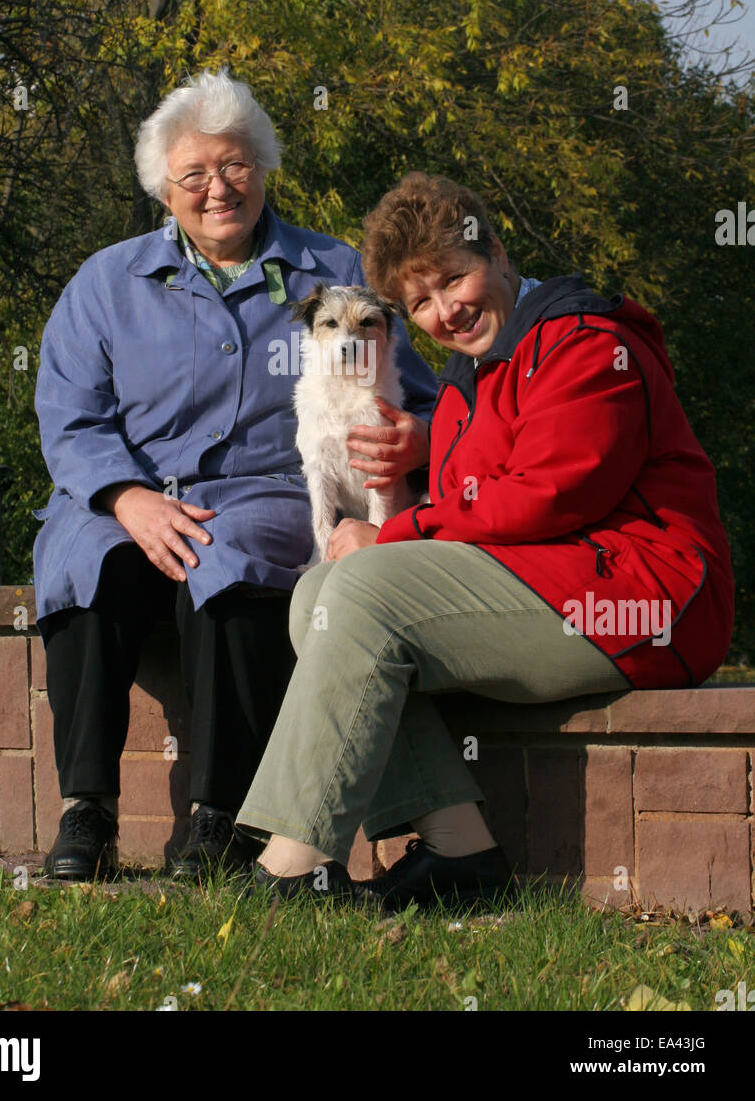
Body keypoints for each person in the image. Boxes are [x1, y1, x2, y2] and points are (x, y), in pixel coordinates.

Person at [235, 170, 736, 906]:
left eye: (453, 280)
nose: (446, 311)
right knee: (318, 589)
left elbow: (547, 494)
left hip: (647, 598)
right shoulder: (478, 371)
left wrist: (395, 533)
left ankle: (293, 865)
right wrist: (429, 445)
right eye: (420, 303)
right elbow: (484, 488)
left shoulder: (588, 345)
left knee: (362, 589)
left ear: (496, 252)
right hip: (559, 581)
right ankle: (460, 852)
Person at [31, 71, 439, 881]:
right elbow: (69, 418)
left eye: (237, 165)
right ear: (164, 189)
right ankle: (87, 813)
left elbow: (421, 396)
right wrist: (127, 498)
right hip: (119, 492)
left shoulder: (333, 268)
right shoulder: (105, 283)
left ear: (264, 167)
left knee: (231, 558)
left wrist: (416, 440)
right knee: (87, 561)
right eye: (194, 175)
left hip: (267, 492)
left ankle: (221, 820)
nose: (218, 188)